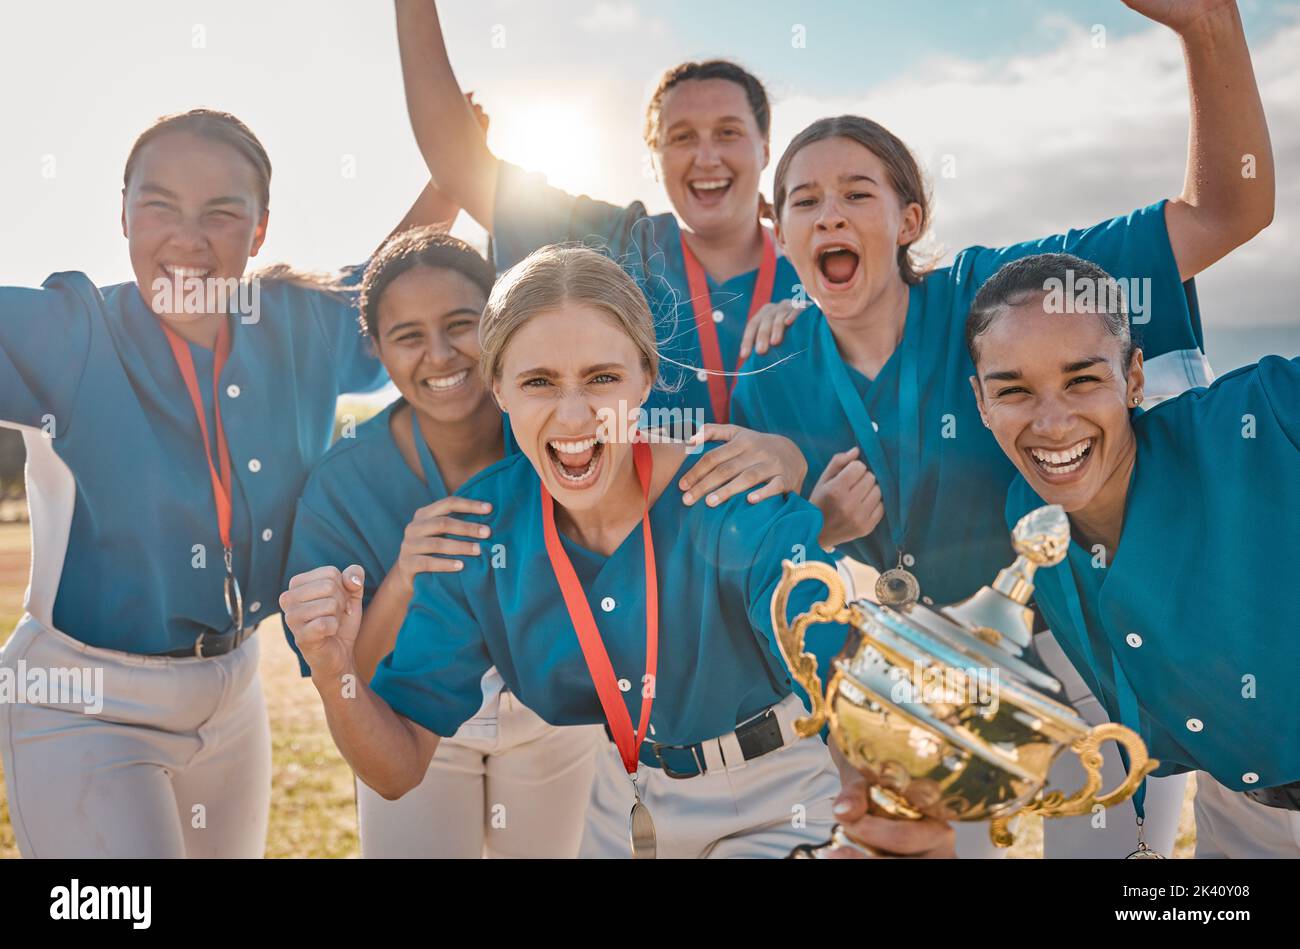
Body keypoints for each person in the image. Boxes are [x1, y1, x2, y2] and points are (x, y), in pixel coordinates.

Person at [729, 0, 1272, 854]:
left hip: (1060, 666)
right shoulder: (766, 367)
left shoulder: (1003, 298)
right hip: (902, 685)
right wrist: (807, 504)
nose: (829, 214)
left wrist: (1207, 27)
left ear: (908, 222)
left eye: (856, 193)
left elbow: (1225, 214)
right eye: (804, 201)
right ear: (781, 235)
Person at [283, 244, 955, 858]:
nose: (574, 416)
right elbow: (397, 768)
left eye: (602, 377)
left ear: (646, 376)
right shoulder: (480, 531)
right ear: (499, 389)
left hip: (778, 796)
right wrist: (335, 666)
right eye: (539, 381)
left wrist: (876, 803)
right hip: (626, 799)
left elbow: (838, 668)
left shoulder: (729, 492)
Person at [0, 108, 456, 858]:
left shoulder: (300, 322)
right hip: (84, 700)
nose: (188, 237)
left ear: (261, 227)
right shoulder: (70, 330)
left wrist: (451, 177)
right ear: (121, 215)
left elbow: (391, 281)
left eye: (221, 211)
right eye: (159, 206)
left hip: (235, 691)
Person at [389, 0, 811, 510]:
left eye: (728, 132)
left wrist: (799, 464)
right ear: (653, 159)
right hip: (626, 568)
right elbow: (461, 164)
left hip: (773, 562)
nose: (706, 157)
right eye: (681, 138)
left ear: (765, 147)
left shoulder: (820, 281)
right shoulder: (618, 243)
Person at [280, 228, 602, 857]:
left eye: (462, 324)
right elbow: (356, 675)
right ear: (374, 348)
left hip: (556, 720)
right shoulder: (343, 482)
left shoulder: (563, 431)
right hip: (408, 720)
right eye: (407, 336)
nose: (440, 355)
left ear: (500, 324)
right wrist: (404, 575)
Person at [967, 252, 1299, 858]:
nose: (1053, 422)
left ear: (1135, 378)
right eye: (1012, 390)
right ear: (982, 402)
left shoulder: (1260, 414)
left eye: (1083, 379)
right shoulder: (1028, 510)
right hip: (1243, 816)